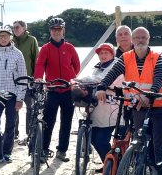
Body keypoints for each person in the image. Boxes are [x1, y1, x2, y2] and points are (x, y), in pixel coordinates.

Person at [96, 27, 162, 175]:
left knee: (157, 144)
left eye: (144, 37)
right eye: (137, 38)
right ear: (133, 40)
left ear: (148, 39)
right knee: (139, 140)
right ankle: (141, 174)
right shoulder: (125, 57)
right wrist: (101, 87)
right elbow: (111, 73)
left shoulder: (157, 57)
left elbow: (158, 79)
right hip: (137, 106)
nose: (140, 40)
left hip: (156, 105)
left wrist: (148, 97)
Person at [33, 17, 80, 161]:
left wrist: (72, 79)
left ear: (63, 31)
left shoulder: (70, 47)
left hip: (67, 90)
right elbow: (40, 65)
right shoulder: (46, 48)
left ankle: (62, 150)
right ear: (50, 31)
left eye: (59, 29)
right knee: (48, 121)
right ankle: (44, 149)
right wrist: (39, 78)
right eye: (54, 30)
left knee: (66, 122)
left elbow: (77, 65)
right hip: (52, 89)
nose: (56, 32)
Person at [74, 43, 123, 167]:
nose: (103, 55)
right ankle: (109, 164)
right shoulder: (98, 67)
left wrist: (82, 80)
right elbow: (93, 79)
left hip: (112, 110)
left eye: (106, 53)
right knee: (95, 139)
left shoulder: (116, 65)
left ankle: (112, 166)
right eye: (101, 53)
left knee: (101, 140)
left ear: (112, 54)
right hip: (98, 110)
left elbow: (101, 79)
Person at [0, 25, 26, 162]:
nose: (3, 38)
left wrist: (20, 99)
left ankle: (7, 152)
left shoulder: (17, 54)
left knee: (10, 125)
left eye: (6, 36)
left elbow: (22, 77)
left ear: (10, 37)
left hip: (12, 94)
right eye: (0, 36)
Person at [12, 20, 39, 140]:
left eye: (17, 27)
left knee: (30, 107)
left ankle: (29, 134)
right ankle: (14, 133)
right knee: (14, 107)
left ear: (24, 28)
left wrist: (35, 78)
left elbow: (37, 60)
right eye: (13, 28)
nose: (15, 29)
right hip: (13, 81)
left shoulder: (31, 40)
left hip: (28, 80)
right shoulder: (10, 40)